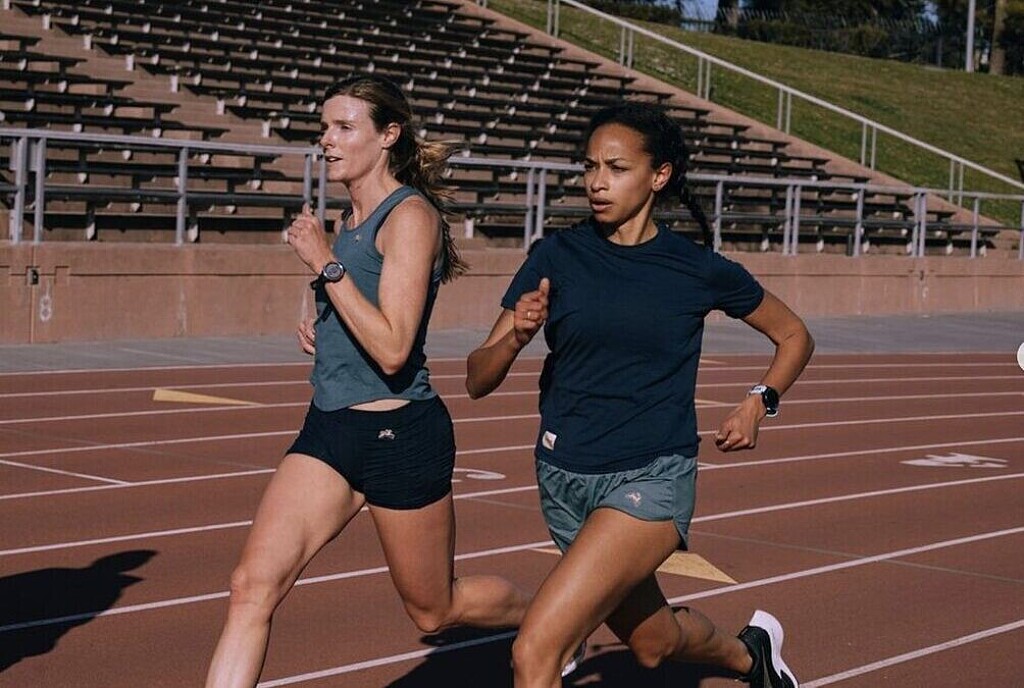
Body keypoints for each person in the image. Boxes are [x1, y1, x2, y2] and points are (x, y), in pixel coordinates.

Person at [466, 101, 815, 688]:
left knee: (535, 650)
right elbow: (477, 379)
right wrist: (516, 338)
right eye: (589, 167)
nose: (597, 182)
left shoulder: (695, 268)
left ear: (659, 176)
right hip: (563, 476)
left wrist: (760, 400)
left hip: (649, 476)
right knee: (653, 644)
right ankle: (751, 658)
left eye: (616, 168)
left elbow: (794, 335)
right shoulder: (556, 255)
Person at [205, 74, 529, 688]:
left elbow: (394, 348)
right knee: (251, 586)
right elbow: (360, 306)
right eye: (324, 127)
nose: (326, 140)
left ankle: (549, 621)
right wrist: (323, 321)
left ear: (388, 136)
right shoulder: (348, 215)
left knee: (434, 610)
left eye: (343, 127)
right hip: (330, 429)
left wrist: (324, 264)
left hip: (397, 435)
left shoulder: (409, 217)